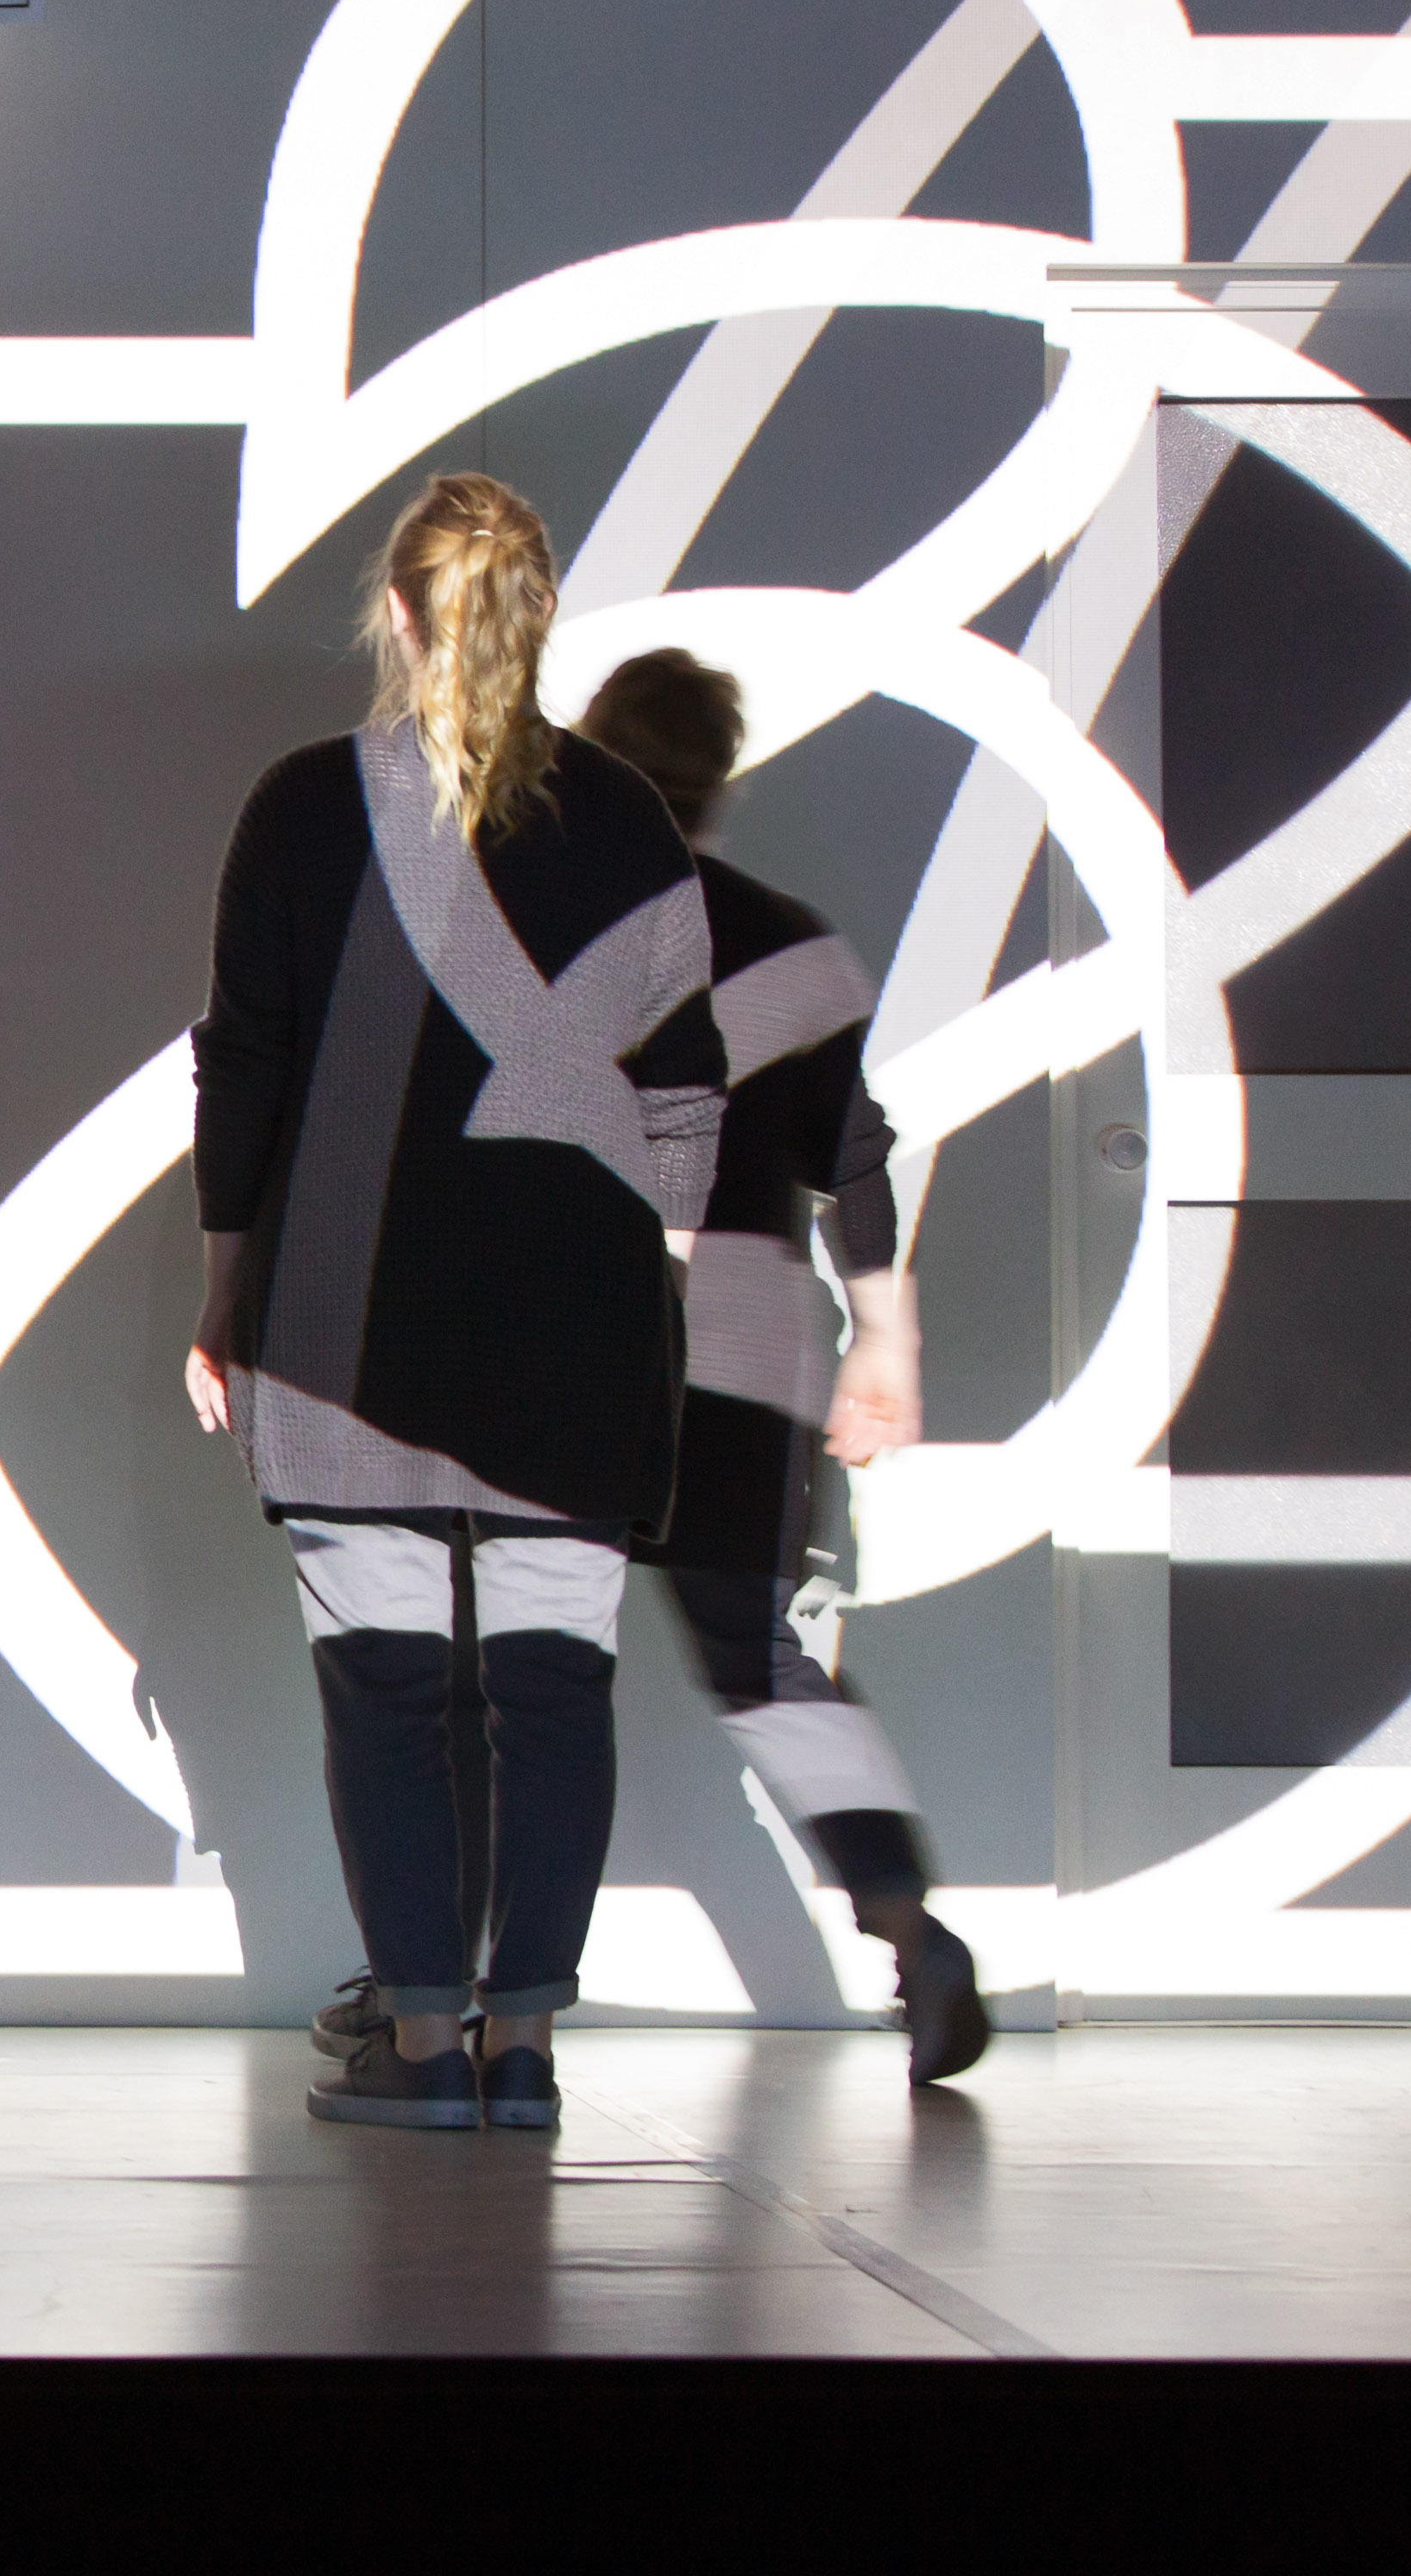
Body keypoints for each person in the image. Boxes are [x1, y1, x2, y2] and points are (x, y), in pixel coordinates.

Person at [185, 476, 722, 2134]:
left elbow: (247, 1072)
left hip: (347, 1331)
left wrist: (227, 1293)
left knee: (389, 1692)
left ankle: (421, 2049)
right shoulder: (631, 822)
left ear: (395, 612)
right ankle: (528, 2053)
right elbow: (690, 1096)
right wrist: (652, 1277)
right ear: (537, 619)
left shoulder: (298, 807)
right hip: (573, 1335)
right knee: (557, 1690)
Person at [571, 649, 990, 2083]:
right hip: (745, 1347)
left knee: (507, 1667)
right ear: (720, 781)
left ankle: (457, 1992)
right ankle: (907, 1928)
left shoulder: (545, 936)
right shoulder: (795, 948)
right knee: (763, 1664)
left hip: (563, 1339)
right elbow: (851, 1164)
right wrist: (888, 1338)